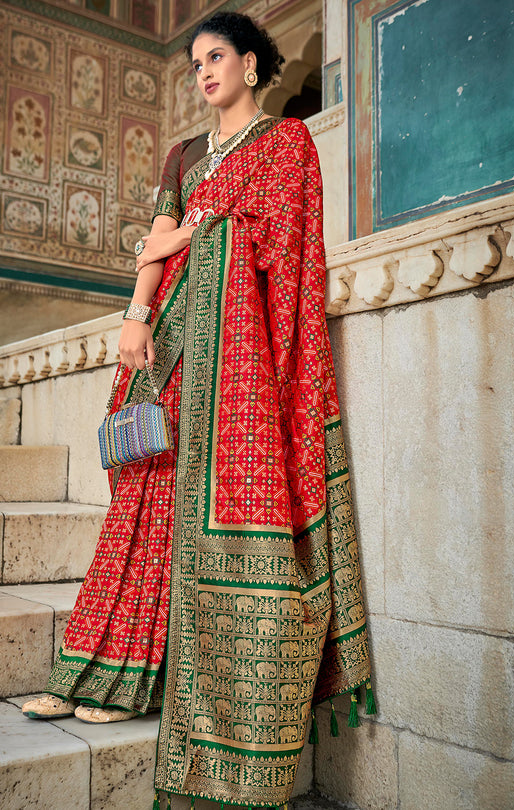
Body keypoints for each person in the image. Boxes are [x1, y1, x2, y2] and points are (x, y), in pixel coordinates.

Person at [22, 11, 374, 809]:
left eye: (216, 57)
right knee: (143, 508)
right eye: (194, 63)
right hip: (175, 350)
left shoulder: (284, 143)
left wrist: (188, 238)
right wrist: (136, 317)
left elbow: (278, 241)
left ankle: (172, 682)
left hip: (239, 362)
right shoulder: (185, 155)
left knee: (189, 509)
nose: (203, 71)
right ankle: (101, 674)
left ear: (252, 65)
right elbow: (153, 243)